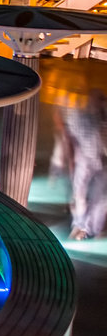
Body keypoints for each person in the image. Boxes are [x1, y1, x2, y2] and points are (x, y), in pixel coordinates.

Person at [65, 90, 107, 240]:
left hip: (98, 161)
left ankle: (88, 228)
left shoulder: (81, 117)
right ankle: (81, 226)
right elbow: (71, 139)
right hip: (86, 158)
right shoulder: (79, 117)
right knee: (82, 194)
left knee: (98, 196)